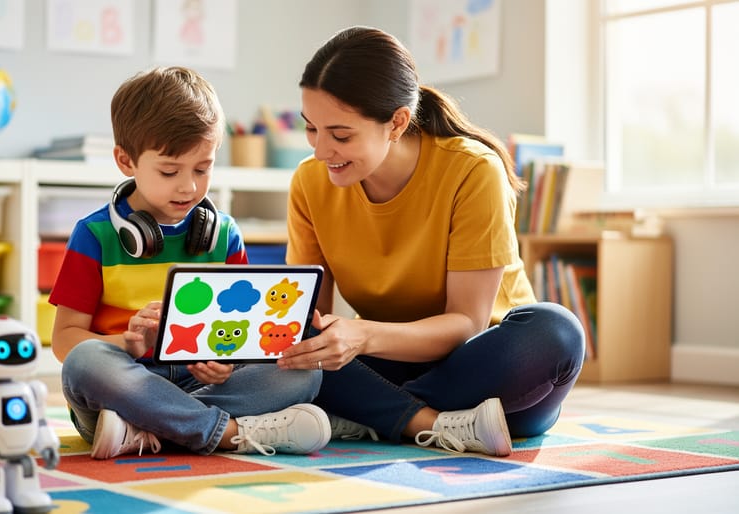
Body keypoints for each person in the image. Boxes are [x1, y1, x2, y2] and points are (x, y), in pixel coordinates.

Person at [277, 26, 585, 457]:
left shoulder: (473, 171)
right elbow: (307, 319)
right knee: (287, 361)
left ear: (397, 122)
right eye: (311, 129)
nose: (321, 150)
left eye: (340, 135)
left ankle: (375, 414)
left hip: (485, 367)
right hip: (392, 364)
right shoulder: (310, 183)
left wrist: (361, 337)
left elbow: (466, 324)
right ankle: (432, 424)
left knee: (556, 332)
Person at [50, 66, 331, 460]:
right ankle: (229, 433)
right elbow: (64, 341)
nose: (189, 187)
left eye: (203, 169)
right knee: (84, 362)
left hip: (196, 389)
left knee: (305, 368)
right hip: (124, 385)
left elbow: (247, 337)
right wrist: (126, 344)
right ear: (125, 160)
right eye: (169, 171)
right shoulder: (94, 235)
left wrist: (226, 365)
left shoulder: (223, 235)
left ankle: (154, 429)